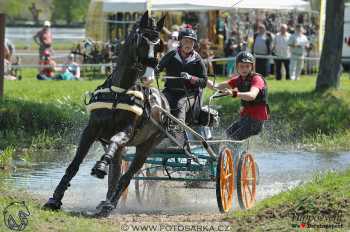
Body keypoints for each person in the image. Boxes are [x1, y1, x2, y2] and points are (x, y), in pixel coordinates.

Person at [207, 51, 269, 140]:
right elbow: (216, 86)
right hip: (246, 118)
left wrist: (234, 93)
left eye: (247, 66)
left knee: (233, 138)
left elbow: (252, 96)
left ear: (252, 67)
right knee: (228, 134)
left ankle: (230, 152)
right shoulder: (238, 80)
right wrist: (202, 79)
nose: (244, 69)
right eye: (242, 66)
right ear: (237, 67)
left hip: (256, 121)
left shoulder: (257, 79)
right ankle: (228, 152)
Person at [157, 27, 208, 125]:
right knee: (158, 100)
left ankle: (179, 129)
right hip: (170, 92)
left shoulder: (197, 60)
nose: (188, 44)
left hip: (188, 94)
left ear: (194, 44)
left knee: (181, 104)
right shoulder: (171, 54)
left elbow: (204, 82)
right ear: (180, 41)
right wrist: (155, 71)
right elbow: (158, 67)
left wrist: (190, 78)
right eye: (186, 41)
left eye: (191, 42)